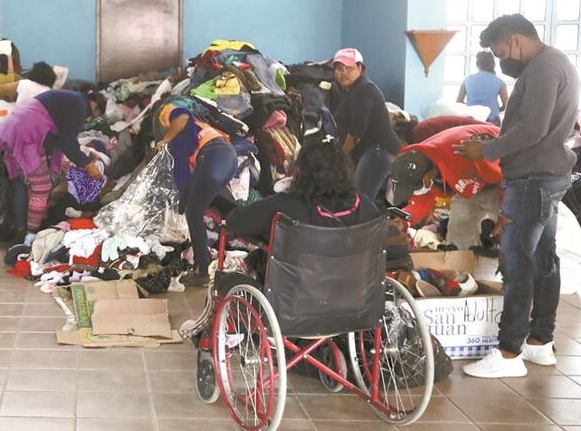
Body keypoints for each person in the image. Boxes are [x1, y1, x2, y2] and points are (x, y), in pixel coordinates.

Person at [454, 14, 580, 378]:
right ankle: (540, 342)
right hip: (548, 175)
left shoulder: (541, 68)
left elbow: (533, 128)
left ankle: (508, 352)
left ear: (516, 40)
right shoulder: (559, 62)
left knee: (517, 261)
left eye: (500, 51)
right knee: (543, 259)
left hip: (532, 180)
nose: (502, 60)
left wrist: (487, 151)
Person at [227, 136, 380, 243]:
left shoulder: (285, 207)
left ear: (302, 172)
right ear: (345, 170)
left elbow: (234, 221)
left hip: (296, 285)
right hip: (354, 284)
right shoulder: (364, 206)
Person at [0, 89, 104, 241]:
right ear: (95, 106)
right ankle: (31, 236)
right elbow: (67, 142)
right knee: (42, 186)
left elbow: (57, 135)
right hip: (28, 134)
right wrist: (87, 164)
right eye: (93, 117)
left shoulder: (72, 98)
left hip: (13, 128)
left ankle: (20, 230)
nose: (87, 119)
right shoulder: (80, 105)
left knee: (22, 183)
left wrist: (58, 159)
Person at [154, 101, 238, 287]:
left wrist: (165, 139)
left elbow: (182, 116)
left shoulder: (170, 113)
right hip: (226, 157)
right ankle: (242, 239)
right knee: (213, 205)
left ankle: (201, 269)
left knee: (194, 212)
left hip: (214, 153)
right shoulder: (188, 139)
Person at [331, 47, 401, 199]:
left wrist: (341, 155)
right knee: (365, 200)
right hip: (374, 152)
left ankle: (371, 224)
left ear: (360, 68)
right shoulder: (351, 91)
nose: (343, 72)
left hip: (377, 152)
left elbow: (357, 130)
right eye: (339, 68)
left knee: (361, 201)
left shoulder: (363, 89)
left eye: (349, 68)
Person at [458, 51, 509, 125]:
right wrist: (497, 110)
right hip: (492, 120)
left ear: (477, 64)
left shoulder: (467, 80)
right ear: (493, 64)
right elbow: (507, 104)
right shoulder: (500, 82)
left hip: (471, 119)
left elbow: (459, 101)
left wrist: (470, 107)